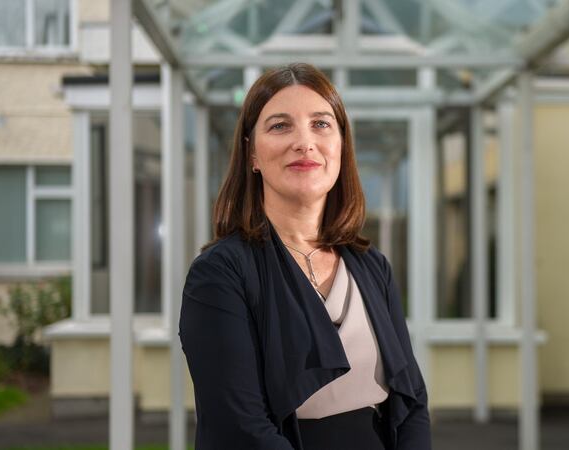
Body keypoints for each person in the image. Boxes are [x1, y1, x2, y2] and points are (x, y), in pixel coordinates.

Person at [179, 62, 431, 450]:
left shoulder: (371, 266)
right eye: (281, 125)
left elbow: (412, 400)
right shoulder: (220, 274)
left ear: (342, 146)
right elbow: (239, 427)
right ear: (252, 155)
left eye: (321, 124)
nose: (304, 142)